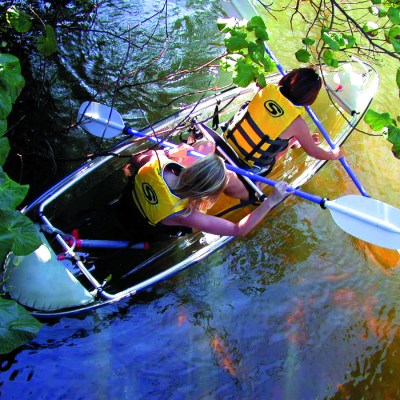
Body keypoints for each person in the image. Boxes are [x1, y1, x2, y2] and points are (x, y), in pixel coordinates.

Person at [117, 144, 290, 242]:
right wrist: (271, 201)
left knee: (206, 144)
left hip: (126, 203)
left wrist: (170, 153)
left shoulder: (156, 161)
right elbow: (238, 229)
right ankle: (248, 193)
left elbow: (134, 160)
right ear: (209, 193)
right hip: (142, 230)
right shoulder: (184, 214)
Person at [223, 67, 343, 174]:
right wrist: (333, 155)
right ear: (309, 97)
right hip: (248, 165)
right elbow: (313, 152)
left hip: (226, 143)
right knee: (289, 137)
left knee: (276, 129)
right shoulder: (298, 123)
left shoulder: (265, 90)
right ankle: (298, 140)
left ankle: (298, 139)